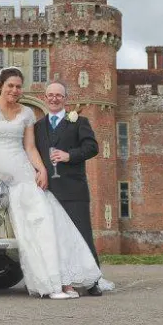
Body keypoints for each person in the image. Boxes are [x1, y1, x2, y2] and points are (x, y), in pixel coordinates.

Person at [0, 67, 101, 299]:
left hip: (22, 170)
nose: (14, 90)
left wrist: (41, 170)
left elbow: (29, 147)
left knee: (46, 219)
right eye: (10, 85)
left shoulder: (27, 113)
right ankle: (49, 284)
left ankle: (63, 280)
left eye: (19, 86)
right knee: (29, 226)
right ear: (0, 85)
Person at [34, 79, 104, 296]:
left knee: (82, 235)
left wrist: (69, 155)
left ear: (65, 99)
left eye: (59, 95)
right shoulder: (37, 127)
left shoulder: (78, 121)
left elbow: (92, 147)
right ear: (45, 98)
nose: (54, 99)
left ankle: (93, 281)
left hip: (74, 189)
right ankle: (60, 280)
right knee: (55, 239)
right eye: (50, 95)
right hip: (47, 190)